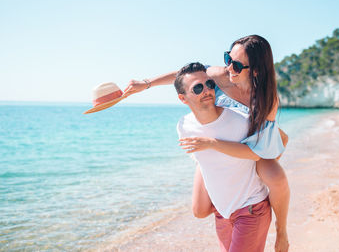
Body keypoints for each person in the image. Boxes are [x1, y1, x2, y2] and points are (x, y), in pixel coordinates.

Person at [123, 35, 290, 252]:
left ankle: (281, 231)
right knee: (200, 210)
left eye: (237, 65)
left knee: (275, 177)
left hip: (253, 135)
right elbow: (185, 77)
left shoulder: (265, 99)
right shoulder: (220, 75)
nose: (229, 67)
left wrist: (213, 144)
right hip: (222, 124)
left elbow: (261, 147)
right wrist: (146, 84)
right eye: (227, 58)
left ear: (256, 71)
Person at [175, 62, 272, 251]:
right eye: (197, 88)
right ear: (183, 98)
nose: (206, 90)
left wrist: (212, 143)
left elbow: (258, 154)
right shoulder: (184, 126)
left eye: (210, 84)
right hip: (222, 212)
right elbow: (202, 162)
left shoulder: (241, 120)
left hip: (251, 208)